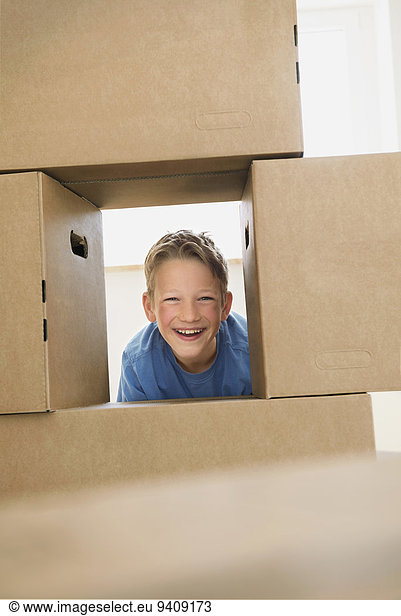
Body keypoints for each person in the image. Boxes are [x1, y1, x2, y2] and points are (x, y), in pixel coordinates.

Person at [117, 230, 251, 401]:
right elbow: (131, 427)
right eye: (172, 299)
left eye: (204, 298)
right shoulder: (138, 364)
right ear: (150, 307)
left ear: (225, 306)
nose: (190, 316)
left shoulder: (252, 354)